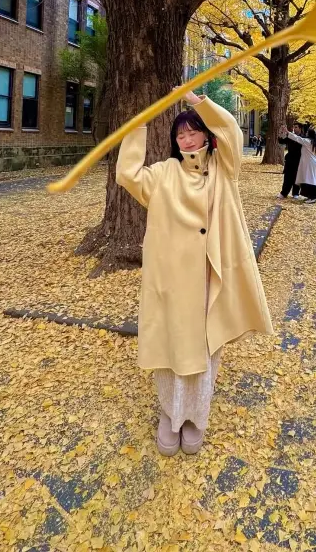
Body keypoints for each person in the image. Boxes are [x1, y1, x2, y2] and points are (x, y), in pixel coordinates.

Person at [116, 91, 273, 457]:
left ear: (205, 134)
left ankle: (195, 418)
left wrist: (197, 101)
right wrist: (137, 126)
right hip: (173, 280)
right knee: (172, 345)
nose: (186, 139)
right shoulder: (163, 174)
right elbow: (127, 174)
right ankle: (170, 416)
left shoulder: (223, 168)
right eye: (180, 134)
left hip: (211, 276)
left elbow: (233, 132)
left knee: (205, 345)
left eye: (193, 131)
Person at [279, 124, 316, 204]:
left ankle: (312, 197)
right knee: (309, 179)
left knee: (309, 179)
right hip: (312, 163)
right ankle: (310, 196)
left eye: (307, 134)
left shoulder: (307, 141)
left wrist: (287, 132)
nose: (305, 135)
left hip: (308, 163)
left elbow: (297, 138)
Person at [278, 122, 304, 199]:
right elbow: (282, 141)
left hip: (298, 160)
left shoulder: (303, 138)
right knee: (287, 177)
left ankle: (295, 193)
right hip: (289, 159)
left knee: (297, 177)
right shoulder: (290, 137)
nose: (294, 129)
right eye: (294, 127)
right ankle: (284, 193)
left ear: (300, 128)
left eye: (296, 127)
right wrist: (281, 132)